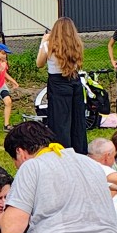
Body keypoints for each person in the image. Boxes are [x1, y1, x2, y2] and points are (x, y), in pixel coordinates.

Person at [36, 17, 88, 152]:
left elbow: (39, 64)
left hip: (57, 83)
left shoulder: (49, 45)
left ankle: (63, 151)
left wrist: (43, 42)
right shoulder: (77, 45)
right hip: (75, 81)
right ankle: (79, 151)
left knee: (59, 121)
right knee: (77, 119)